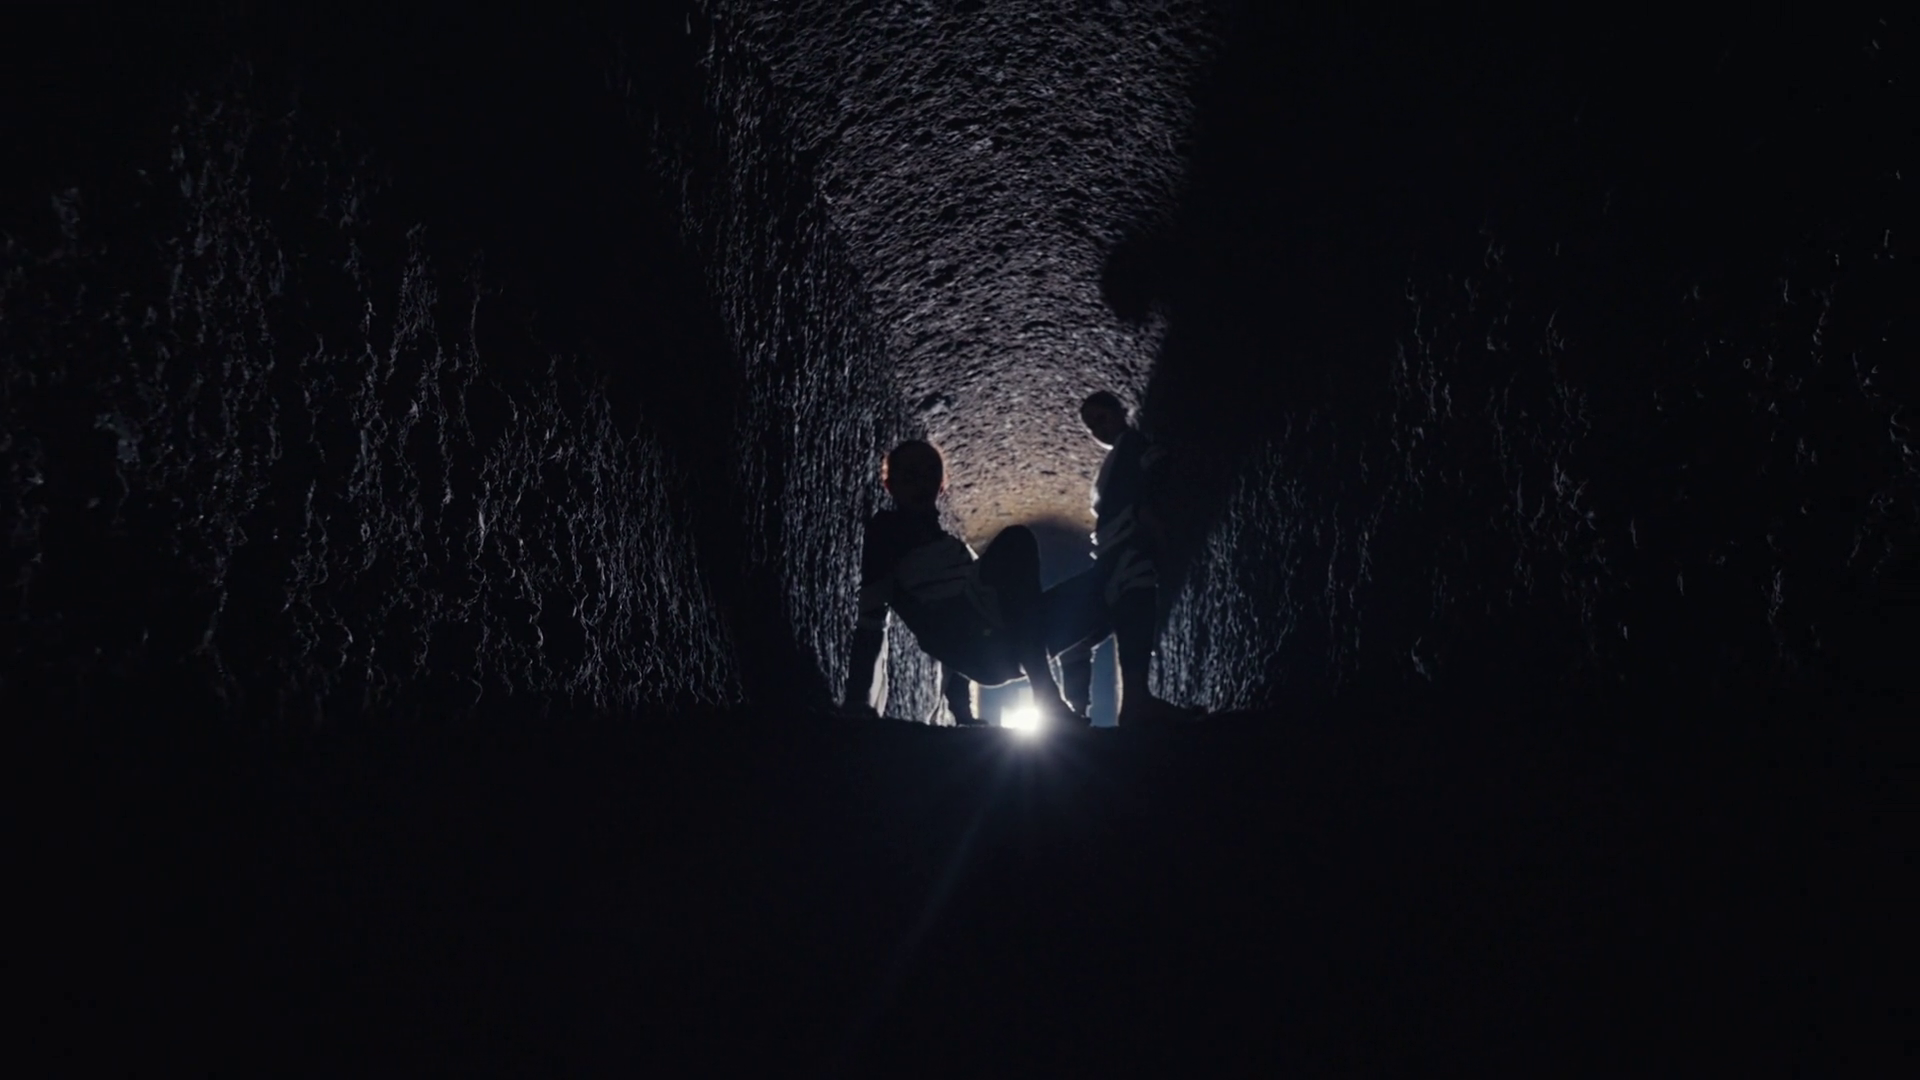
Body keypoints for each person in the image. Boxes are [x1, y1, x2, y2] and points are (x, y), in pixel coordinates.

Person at [843, 440, 1077, 727]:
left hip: (1003, 640)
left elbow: (962, 598)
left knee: (1102, 583)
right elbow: (872, 618)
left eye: (930, 473)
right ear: (890, 485)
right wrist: (857, 700)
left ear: (942, 484)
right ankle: (1047, 694)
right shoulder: (886, 534)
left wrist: (962, 714)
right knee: (1016, 539)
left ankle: (1079, 694)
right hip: (979, 647)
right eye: (910, 475)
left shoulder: (955, 547)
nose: (921, 483)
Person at [1043, 391, 1191, 727]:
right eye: (1092, 426)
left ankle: (1130, 701)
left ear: (1120, 412)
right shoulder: (1117, 456)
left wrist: (1148, 523)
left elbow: (1152, 476)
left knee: (1120, 609)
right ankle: (1083, 710)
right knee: (1082, 633)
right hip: (1112, 554)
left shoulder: (1133, 444)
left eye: (1101, 418)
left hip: (1127, 547)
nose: (1098, 429)